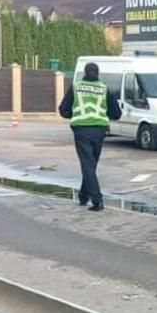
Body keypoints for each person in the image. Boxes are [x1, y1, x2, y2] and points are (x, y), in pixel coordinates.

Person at [58, 62, 121, 211]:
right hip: (99, 130)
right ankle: (83, 196)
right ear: (98, 73)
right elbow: (116, 113)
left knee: (87, 165)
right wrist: (105, 114)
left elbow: (63, 109)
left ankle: (97, 200)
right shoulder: (104, 89)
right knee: (90, 165)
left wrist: (74, 114)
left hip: (81, 130)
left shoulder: (76, 87)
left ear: (85, 73)